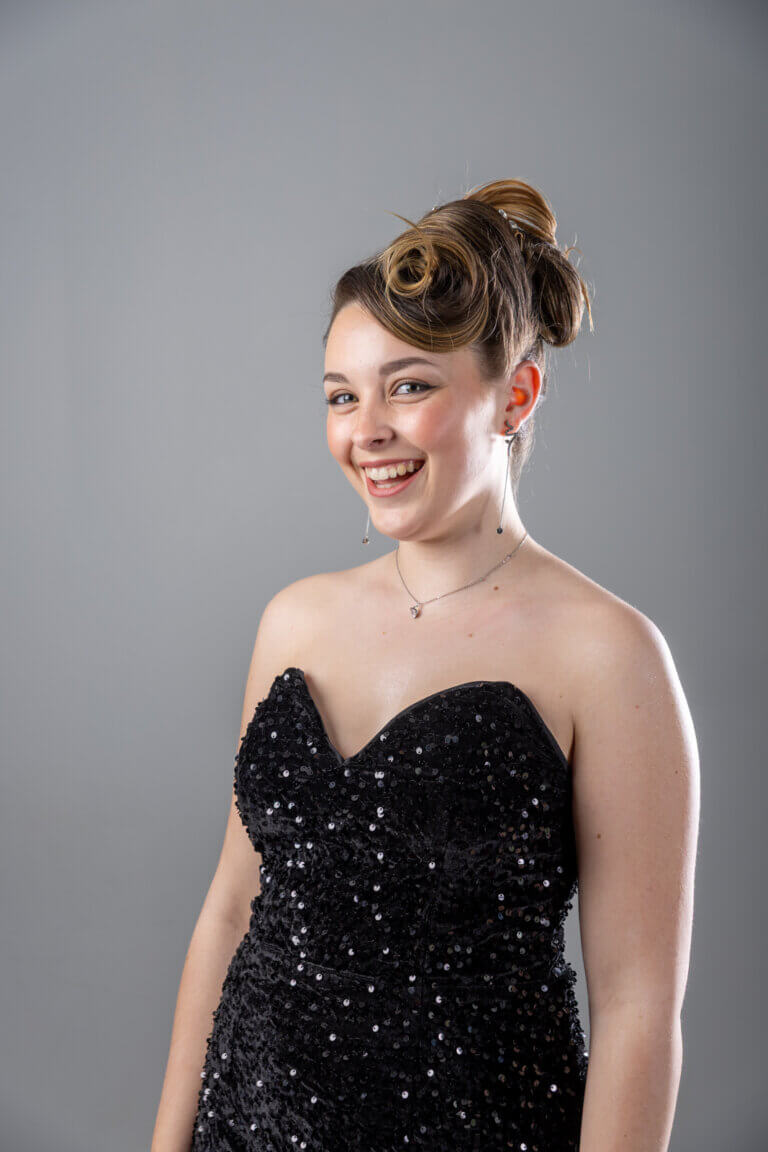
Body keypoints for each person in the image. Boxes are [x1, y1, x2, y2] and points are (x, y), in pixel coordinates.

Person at [151, 178, 699, 1152]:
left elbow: (640, 1012)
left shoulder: (608, 654)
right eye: (340, 396)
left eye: (409, 386)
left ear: (515, 395)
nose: (367, 431)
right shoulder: (295, 620)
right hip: (248, 1122)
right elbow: (230, 909)